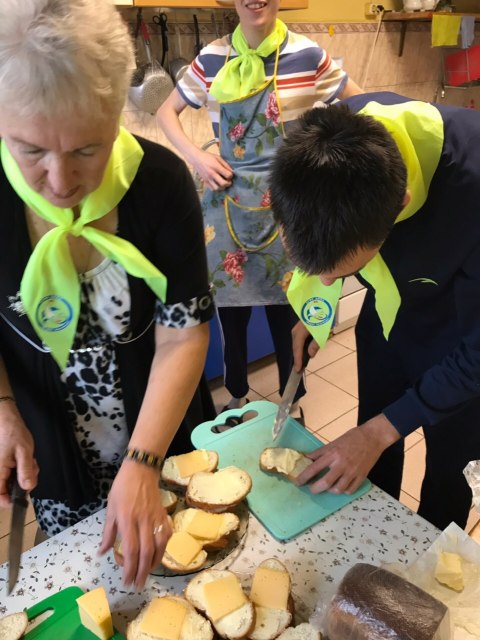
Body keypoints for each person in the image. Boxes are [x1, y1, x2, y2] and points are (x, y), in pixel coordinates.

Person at [0, 0, 215, 588]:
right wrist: (4, 409)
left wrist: (143, 462)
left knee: (180, 575)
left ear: (117, 114)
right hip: (53, 450)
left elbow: (182, 335)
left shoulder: (161, 184)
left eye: (86, 150)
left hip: (159, 436)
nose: (60, 181)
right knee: (84, 587)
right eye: (31, 149)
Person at [269, 92, 480, 532]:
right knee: (369, 444)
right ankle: (370, 536)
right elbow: (324, 238)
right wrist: (315, 308)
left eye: (343, 273)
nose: (328, 283)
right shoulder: (328, 140)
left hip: (461, 334)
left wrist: (381, 431)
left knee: (448, 466)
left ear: (400, 206)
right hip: (387, 318)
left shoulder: (471, 185)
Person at [157, 0, 363, 413]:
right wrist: (197, 157)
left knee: (289, 316)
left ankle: (291, 402)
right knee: (232, 320)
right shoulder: (213, 57)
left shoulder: (307, 55)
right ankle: (237, 397)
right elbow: (166, 112)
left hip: (291, 208)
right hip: (227, 206)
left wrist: (326, 159)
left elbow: (363, 104)